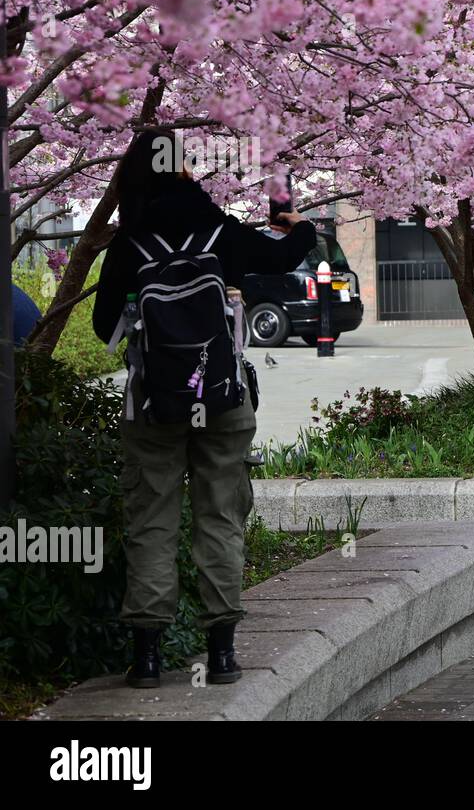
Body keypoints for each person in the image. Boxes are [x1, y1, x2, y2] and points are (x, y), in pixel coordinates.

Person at [93, 128, 318, 687]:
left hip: (153, 407)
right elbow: (286, 254)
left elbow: (103, 330)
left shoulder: (130, 244)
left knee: (151, 522)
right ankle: (221, 654)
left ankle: (146, 659)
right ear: (186, 170)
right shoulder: (223, 231)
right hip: (221, 400)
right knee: (220, 519)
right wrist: (300, 226)